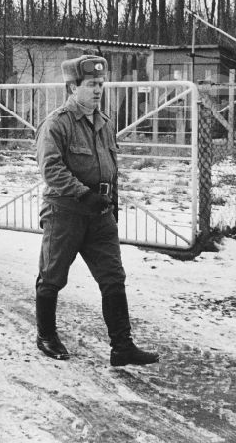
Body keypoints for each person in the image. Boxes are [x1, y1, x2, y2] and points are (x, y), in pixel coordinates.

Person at [33, 55, 158, 367]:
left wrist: (111, 204)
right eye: (91, 84)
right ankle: (46, 334)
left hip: (100, 213)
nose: (98, 90)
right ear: (73, 87)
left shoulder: (105, 124)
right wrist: (82, 194)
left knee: (113, 276)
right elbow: (51, 170)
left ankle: (122, 345)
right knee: (52, 275)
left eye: (101, 84)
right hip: (66, 212)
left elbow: (111, 168)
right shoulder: (57, 124)